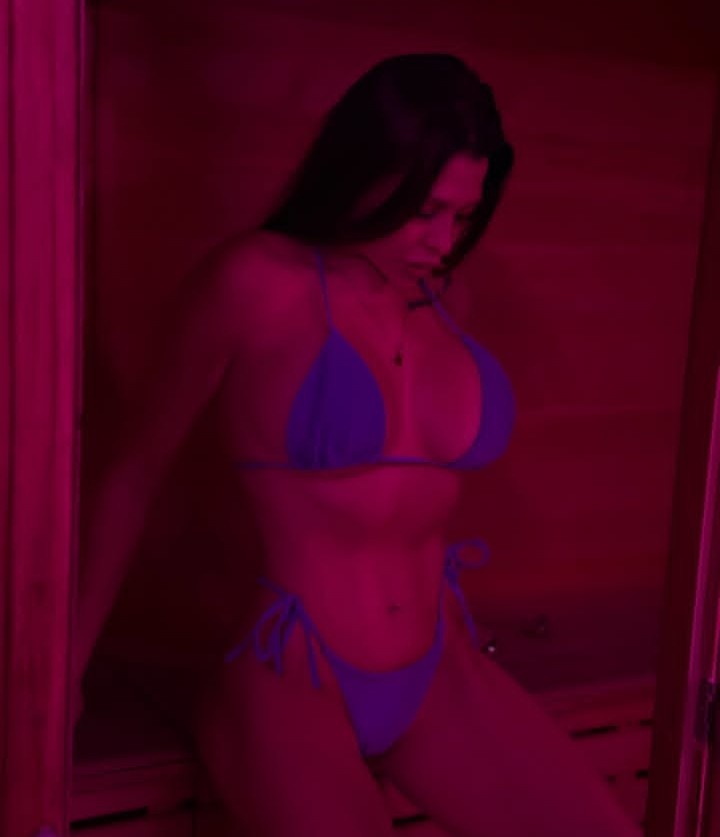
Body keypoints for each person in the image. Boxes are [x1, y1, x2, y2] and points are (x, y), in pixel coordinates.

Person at [73, 53, 641, 836]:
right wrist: (59, 675)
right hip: (294, 671)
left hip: (438, 667)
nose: (443, 240)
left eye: (464, 216)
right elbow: (131, 474)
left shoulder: (449, 299)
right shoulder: (256, 281)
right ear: (365, 172)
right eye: (425, 210)